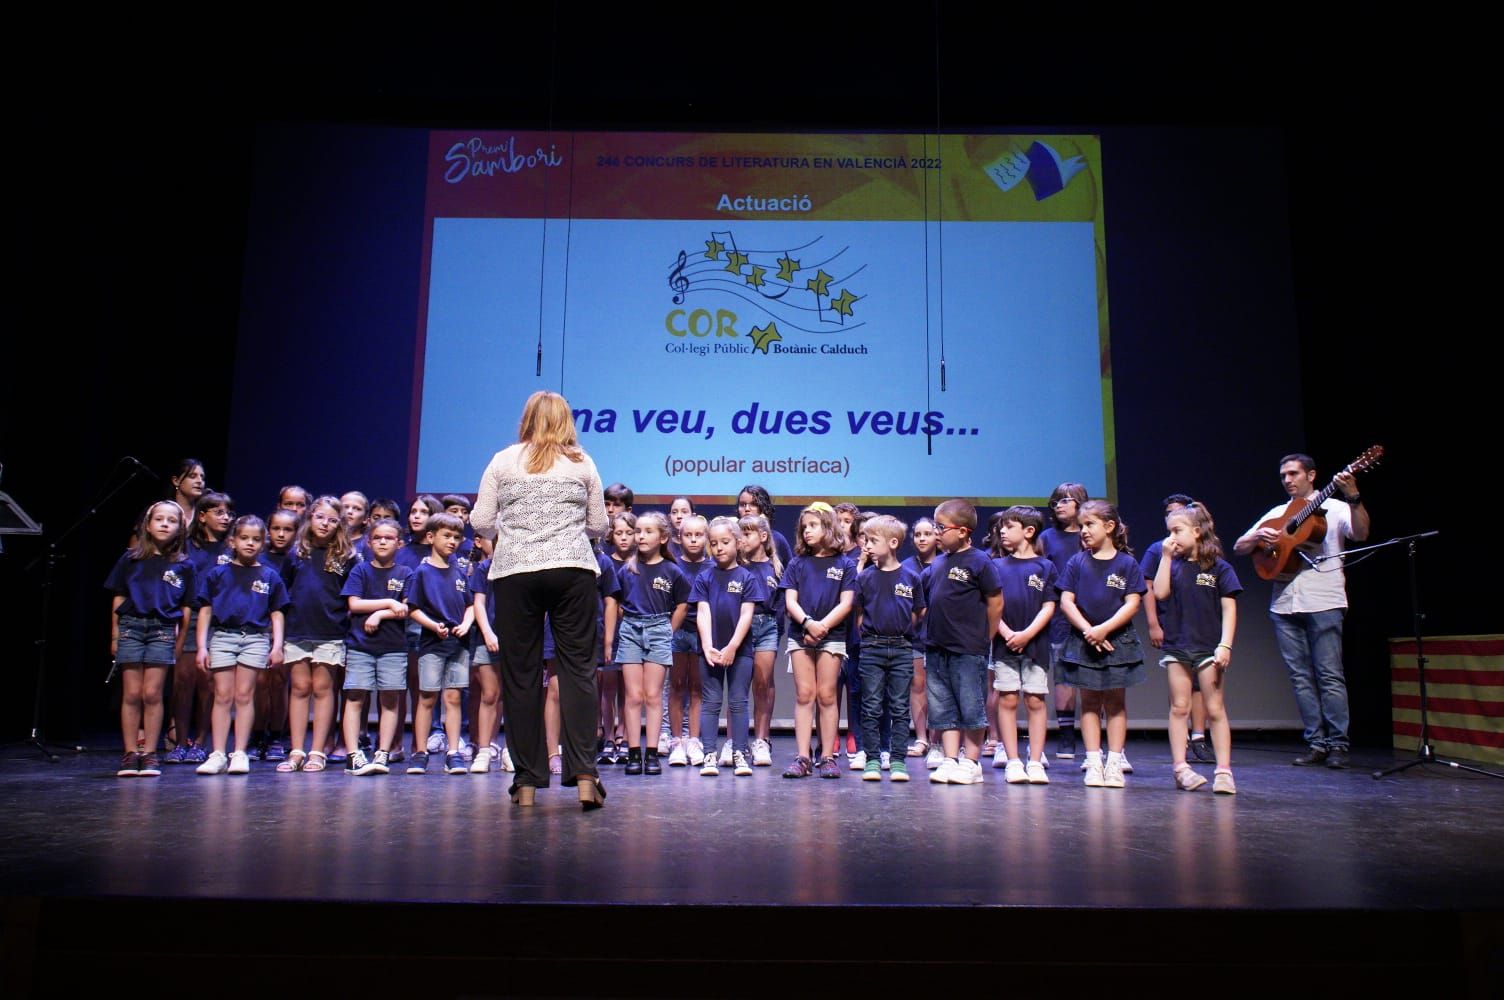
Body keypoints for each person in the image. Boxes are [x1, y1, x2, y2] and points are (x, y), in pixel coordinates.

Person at [471, 390, 610, 809]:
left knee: (521, 675)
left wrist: (512, 529)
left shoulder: (502, 460)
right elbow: (599, 523)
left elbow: (479, 521)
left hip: (516, 573)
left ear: (527, 418)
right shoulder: (581, 462)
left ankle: (527, 781)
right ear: (567, 421)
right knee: (577, 673)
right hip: (572, 571)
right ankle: (585, 775)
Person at [1233, 453, 1369, 769]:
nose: (1288, 480)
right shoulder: (1278, 513)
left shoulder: (1334, 507)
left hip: (1324, 599)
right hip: (1283, 602)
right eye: (1283, 476)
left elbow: (1361, 533)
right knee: (1300, 677)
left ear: (1311, 475)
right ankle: (1316, 743)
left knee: (1329, 674)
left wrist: (1354, 496)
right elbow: (1240, 546)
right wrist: (1256, 536)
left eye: (1294, 474)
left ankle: (1338, 745)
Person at [1057, 500, 1145, 788]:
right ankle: (1094, 761)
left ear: (1109, 527)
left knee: (1115, 702)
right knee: (1090, 701)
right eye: (1081, 526)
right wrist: (1088, 630)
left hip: (1117, 641)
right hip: (1085, 641)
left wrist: (1104, 629)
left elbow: (1133, 602)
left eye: (1089, 524)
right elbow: (1066, 600)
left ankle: (1114, 761)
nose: (1083, 531)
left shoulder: (1126, 563)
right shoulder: (1077, 562)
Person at [1154, 502, 1241, 793]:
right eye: (1169, 533)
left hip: (1208, 647)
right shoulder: (1173, 564)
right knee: (1180, 706)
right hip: (1178, 645)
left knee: (1215, 707)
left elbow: (1229, 609)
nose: (1171, 538)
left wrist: (1225, 645)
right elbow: (1160, 593)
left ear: (1196, 531)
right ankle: (1181, 768)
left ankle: (1224, 771)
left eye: (1177, 531)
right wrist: (1166, 558)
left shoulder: (1219, 567)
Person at [193, 515, 288, 775]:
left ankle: (240, 752)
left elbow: (277, 612)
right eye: (244, 538)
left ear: (263, 543)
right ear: (233, 541)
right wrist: (202, 646)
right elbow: (205, 610)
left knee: (244, 695)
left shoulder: (269, 575)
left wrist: (277, 645)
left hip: (255, 638)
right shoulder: (217, 574)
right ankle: (218, 753)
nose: (250, 543)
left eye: (256, 539)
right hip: (223, 636)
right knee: (222, 695)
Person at [107, 501, 195, 776]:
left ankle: (150, 753)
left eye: (171, 520)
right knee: (132, 693)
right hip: (132, 627)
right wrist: (115, 634)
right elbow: (118, 596)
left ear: (180, 528)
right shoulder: (131, 558)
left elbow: (187, 607)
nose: (165, 524)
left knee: (152, 693)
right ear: (148, 524)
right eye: (159, 519)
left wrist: (179, 643)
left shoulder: (184, 565)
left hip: (162, 629)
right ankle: (130, 752)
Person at [924, 500, 1003, 786]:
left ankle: (971, 762)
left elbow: (995, 602)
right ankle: (949, 759)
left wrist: (986, 636)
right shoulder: (938, 563)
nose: (936, 533)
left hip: (968, 648)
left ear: (963, 531)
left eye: (941, 527)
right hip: (936, 647)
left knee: (971, 706)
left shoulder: (980, 561)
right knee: (942, 707)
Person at [278, 497, 355, 774]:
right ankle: (297, 750)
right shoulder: (296, 554)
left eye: (332, 520)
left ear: (340, 524)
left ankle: (317, 750)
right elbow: (283, 592)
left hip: (330, 631)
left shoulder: (346, 556)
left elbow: (350, 596)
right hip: (298, 630)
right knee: (299, 689)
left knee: (323, 690)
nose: (325, 524)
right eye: (321, 517)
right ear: (310, 517)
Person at [780, 503, 856, 779]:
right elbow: (790, 600)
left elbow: (846, 603)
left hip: (832, 636)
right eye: (804, 527)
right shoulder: (797, 563)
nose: (807, 531)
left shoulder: (845, 564)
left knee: (826, 695)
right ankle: (802, 757)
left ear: (828, 527)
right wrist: (807, 623)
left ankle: (826, 757)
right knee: (804, 695)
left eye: (813, 525)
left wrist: (823, 626)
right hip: (801, 635)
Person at [612, 511, 688, 776]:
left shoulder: (672, 571)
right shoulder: (627, 569)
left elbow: (682, 604)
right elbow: (618, 601)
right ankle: (634, 752)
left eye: (648, 531)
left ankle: (652, 753)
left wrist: (668, 629)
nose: (641, 536)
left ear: (663, 537)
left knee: (653, 695)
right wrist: (629, 622)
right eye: (638, 531)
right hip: (632, 629)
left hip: (658, 629)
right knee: (633, 696)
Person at [692, 516, 767, 777]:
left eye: (725, 542)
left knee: (738, 702)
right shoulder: (704, 577)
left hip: (741, 651)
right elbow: (702, 612)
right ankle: (709, 753)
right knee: (711, 702)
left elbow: (747, 615)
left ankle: (739, 752)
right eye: (714, 543)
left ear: (737, 542)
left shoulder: (747, 577)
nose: (719, 547)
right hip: (710, 651)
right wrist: (708, 646)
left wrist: (733, 646)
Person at [987, 507, 1056, 784]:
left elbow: (1049, 605)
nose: (1002, 531)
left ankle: (1036, 760)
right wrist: (1005, 632)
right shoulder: (996, 566)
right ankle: (1013, 760)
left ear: (1028, 531)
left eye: (1009, 526)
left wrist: (1027, 634)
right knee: (1008, 698)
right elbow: (991, 606)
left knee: (1035, 699)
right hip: (1004, 645)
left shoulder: (1045, 567)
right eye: (1001, 527)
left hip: (1035, 644)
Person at [853, 515, 925, 782]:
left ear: (893, 543)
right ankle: (872, 758)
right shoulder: (865, 578)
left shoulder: (911, 577)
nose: (867, 546)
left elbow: (919, 610)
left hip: (902, 648)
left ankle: (897, 760)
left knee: (899, 707)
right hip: (872, 648)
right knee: (871, 706)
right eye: (865, 540)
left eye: (873, 540)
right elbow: (859, 613)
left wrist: (903, 629)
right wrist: (870, 633)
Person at [1141, 494, 1213, 761]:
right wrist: (1153, 624)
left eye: (1180, 512)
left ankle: (1199, 736)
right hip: (1173, 626)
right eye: (1169, 513)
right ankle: (1180, 739)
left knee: (1200, 685)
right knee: (1180, 687)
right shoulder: (1158, 550)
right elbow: (1148, 587)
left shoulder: (1206, 556)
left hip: (1202, 631)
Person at [340, 517, 412, 776]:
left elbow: (405, 608)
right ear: (368, 542)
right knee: (355, 696)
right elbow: (354, 604)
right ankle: (353, 754)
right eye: (377, 538)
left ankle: (382, 752)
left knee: (390, 699)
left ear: (399, 543)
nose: (383, 541)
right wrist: (388, 603)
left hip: (393, 646)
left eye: (389, 538)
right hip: (361, 645)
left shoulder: (405, 573)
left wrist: (381, 614)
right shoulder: (360, 571)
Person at [403, 512, 474, 775]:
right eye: (447, 536)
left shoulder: (459, 572)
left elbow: (470, 606)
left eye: (457, 537)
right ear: (431, 537)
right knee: (427, 697)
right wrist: (433, 626)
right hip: (433, 643)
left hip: (458, 644)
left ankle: (453, 751)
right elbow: (412, 608)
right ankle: (420, 751)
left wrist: (466, 624)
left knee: (454, 697)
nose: (453, 541)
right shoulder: (422, 572)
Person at [1039, 482, 1088, 759]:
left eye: (1066, 500)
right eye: (1056, 501)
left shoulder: (1089, 534)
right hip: (1058, 615)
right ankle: (1066, 736)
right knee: (1063, 673)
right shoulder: (1047, 537)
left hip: (1091, 612)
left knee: (1094, 674)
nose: (1059, 505)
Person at [737, 513, 783, 766]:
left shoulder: (774, 568)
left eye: (748, 533)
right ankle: (738, 743)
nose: (742, 539)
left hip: (766, 626)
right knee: (739, 686)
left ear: (763, 537)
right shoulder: (738, 567)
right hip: (742, 627)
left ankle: (762, 740)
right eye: (740, 534)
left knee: (763, 684)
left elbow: (780, 605)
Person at [668, 513, 712, 767]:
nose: (694, 540)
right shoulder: (674, 566)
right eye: (688, 535)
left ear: (707, 537)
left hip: (701, 633)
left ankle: (694, 740)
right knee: (676, 686)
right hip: (677, 632)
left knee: (697, 688)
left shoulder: (713, 566)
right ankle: (676, 741)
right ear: (678, 537)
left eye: (699, 535)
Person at [902, 516, 940, 767]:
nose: (922, 538)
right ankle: (921, 738)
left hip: (941, 636)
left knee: (937, 689)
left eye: (928, 533)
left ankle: (938, 742)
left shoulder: (946, 564)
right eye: (918, 534)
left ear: (938, 536)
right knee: (917, 687)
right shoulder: (906, 567)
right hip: (915, 636)